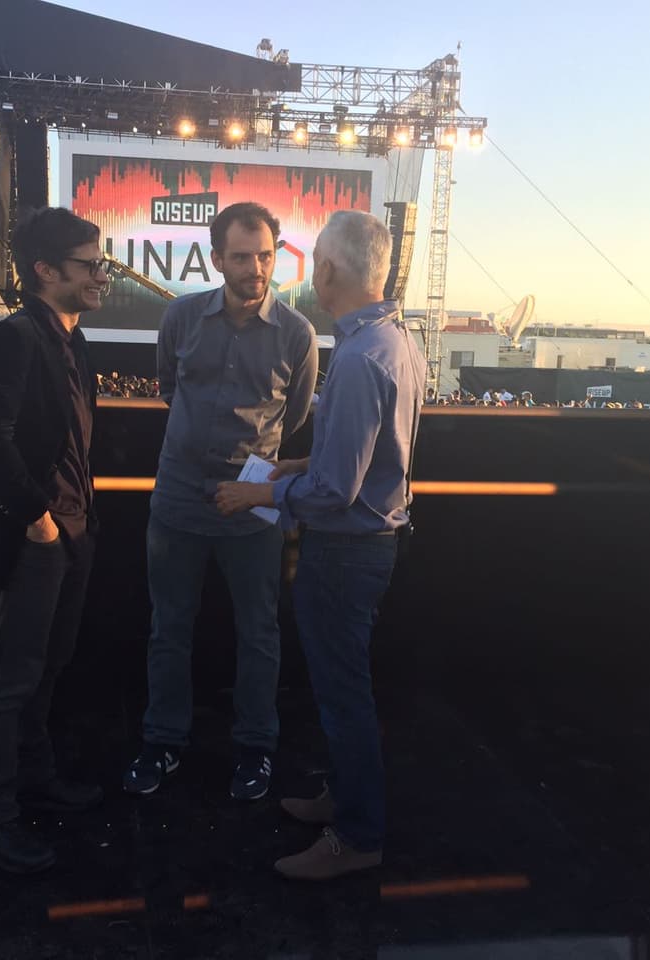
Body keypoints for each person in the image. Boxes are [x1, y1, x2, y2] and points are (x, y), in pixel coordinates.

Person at [215, 210, 426, 880]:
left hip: (346, 551)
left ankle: (358, 837)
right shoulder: (393, 343)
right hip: (368, 546)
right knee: (344, 689)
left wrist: (259, 493)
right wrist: (295, 467)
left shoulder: (363, 358)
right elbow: (366, 461)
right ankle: (345, 799)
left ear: (329, 271)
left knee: (342, 696)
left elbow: (339, 492)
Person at [123, 202, 318, 801]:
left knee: (259, 632)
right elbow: (166, 386)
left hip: (254, 503)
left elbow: (298, 413)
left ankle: (256, 749)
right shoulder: (181, 318)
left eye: (265, 255)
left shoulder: (297, 334)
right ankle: (162, 743)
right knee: (168, 629)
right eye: (242, 256)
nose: (257, 267)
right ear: (216, 259)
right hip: (178, 499)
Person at [0, 206, 110, 874]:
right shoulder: (14, 339)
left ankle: (37, 777)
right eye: (90, 264)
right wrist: (39, 520)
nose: (102, 275)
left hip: (73, 534)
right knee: (8, 681)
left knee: (47, 670)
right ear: (46, 271)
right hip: (35, 540)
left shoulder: (72, 341)